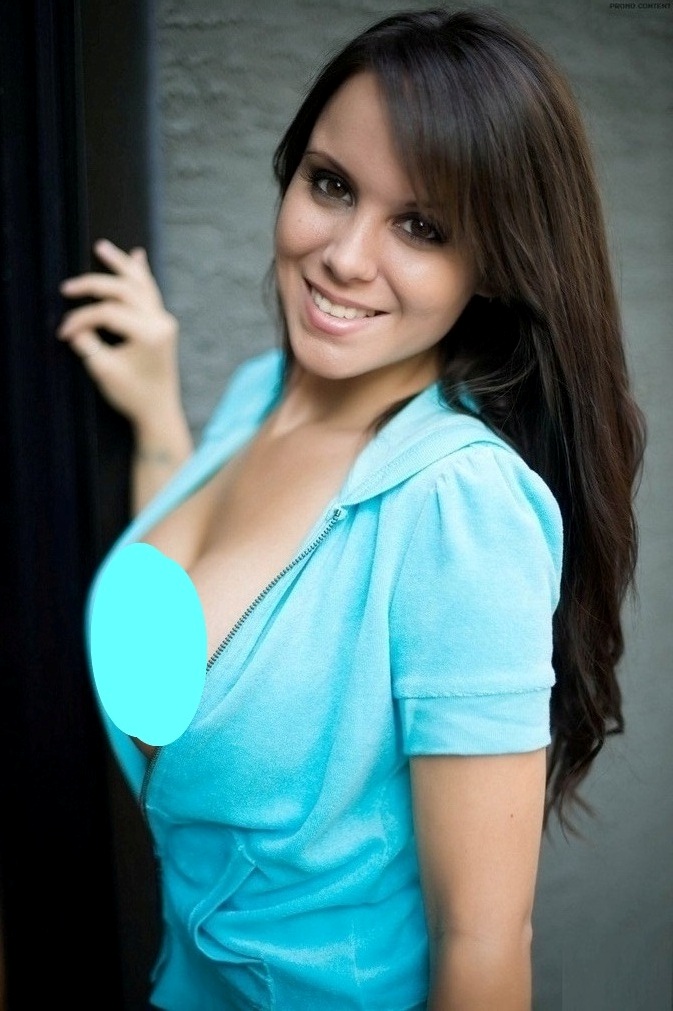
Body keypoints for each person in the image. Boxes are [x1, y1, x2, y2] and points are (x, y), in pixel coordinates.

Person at [57, 7, 645, 1010]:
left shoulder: (458, 507)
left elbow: (482, 944)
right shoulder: (261, 393)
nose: (344, 256)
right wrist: (158, 420)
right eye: (331, 184)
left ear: (493, 265)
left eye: (421, 226)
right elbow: (198, 624)